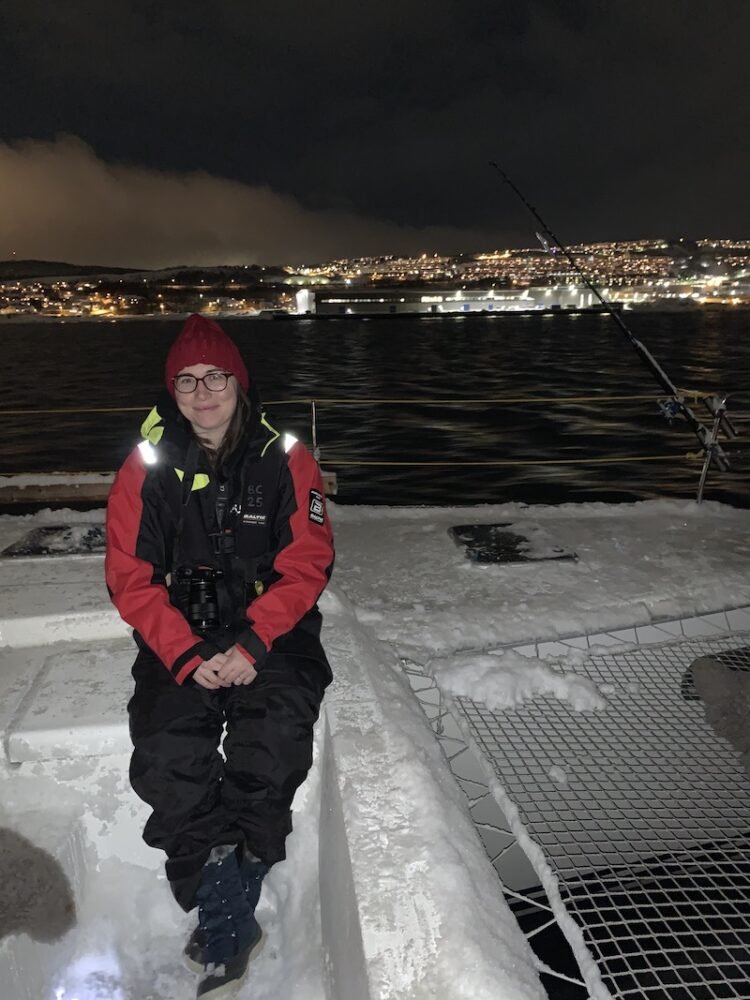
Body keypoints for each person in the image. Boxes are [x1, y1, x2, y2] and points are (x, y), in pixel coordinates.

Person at [105, 313, 334, 999]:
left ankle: (225, 909)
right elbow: (128, 575)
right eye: (187, 379)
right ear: (171, 389)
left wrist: (256, 640)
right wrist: (184, 653)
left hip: (274, 632)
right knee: (167, 748)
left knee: (273, 739)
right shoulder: (144, 466)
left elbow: (309, 560)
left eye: (215, 378)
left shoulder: (286, 457)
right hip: (181, 634)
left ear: (240, 384)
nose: (202, 392)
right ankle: (227, 900)